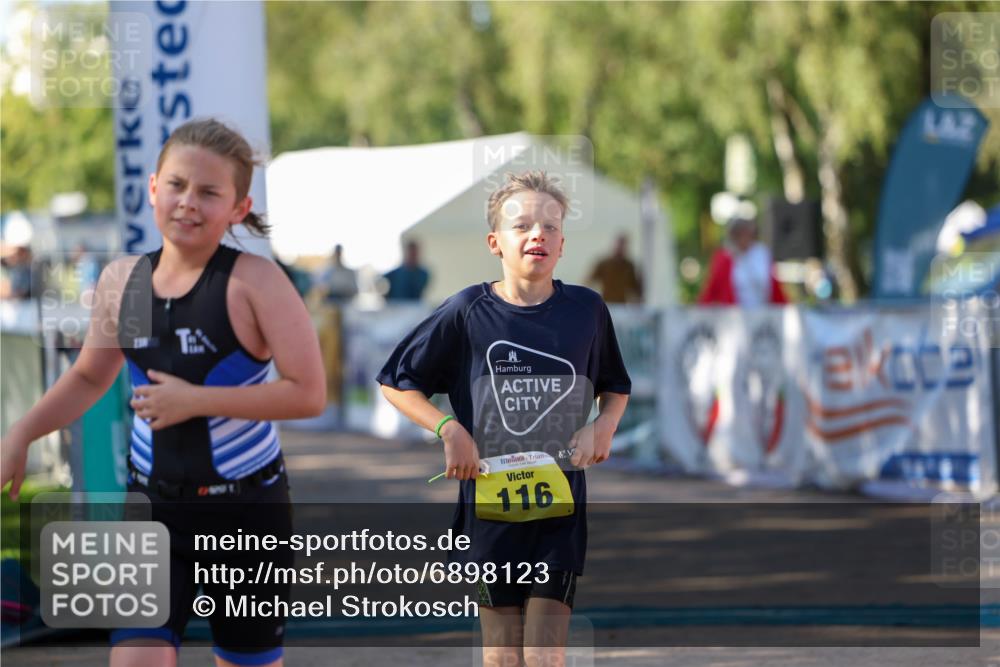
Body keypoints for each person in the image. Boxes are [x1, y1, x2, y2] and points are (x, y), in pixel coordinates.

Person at [1, 118, 326, 667]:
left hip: (245, 512)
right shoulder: (122, 280)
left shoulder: (255, 283)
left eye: (208, 192)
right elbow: (88, 377)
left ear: (238, 208)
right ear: (153, 187)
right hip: (151, 508)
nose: (187, 203)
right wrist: (23, 430)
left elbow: (308, 394)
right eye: (176, 185)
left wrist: (197, 401)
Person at [377, 171, 631, 667]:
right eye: (522, 226)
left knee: (544, 654)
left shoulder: (587, 310)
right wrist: (449, 429)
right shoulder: (467, 311)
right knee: (502, 654)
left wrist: (602, 426)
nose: (538, 234)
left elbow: (615, 385)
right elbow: (396, 381)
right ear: (495, 242)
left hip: (560, 505)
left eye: (550, 227)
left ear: (561, 246)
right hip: (490, 508)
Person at [698, 217, 787, 306]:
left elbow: (774, 286)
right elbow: (711, 289)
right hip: (734, 314)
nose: (744, 238)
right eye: (739, 234)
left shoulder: (762, 253)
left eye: (747, 234)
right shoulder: (724, 257)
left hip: (763, 311)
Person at [586, 233, 642, 303]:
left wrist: (638, 299)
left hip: (621, 304)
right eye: (619, 244)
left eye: (623, 245)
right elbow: (589, 281)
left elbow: (635, 286)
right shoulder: (604, 263)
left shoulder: (629, 266)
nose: (620, 248)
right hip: (606, 302)